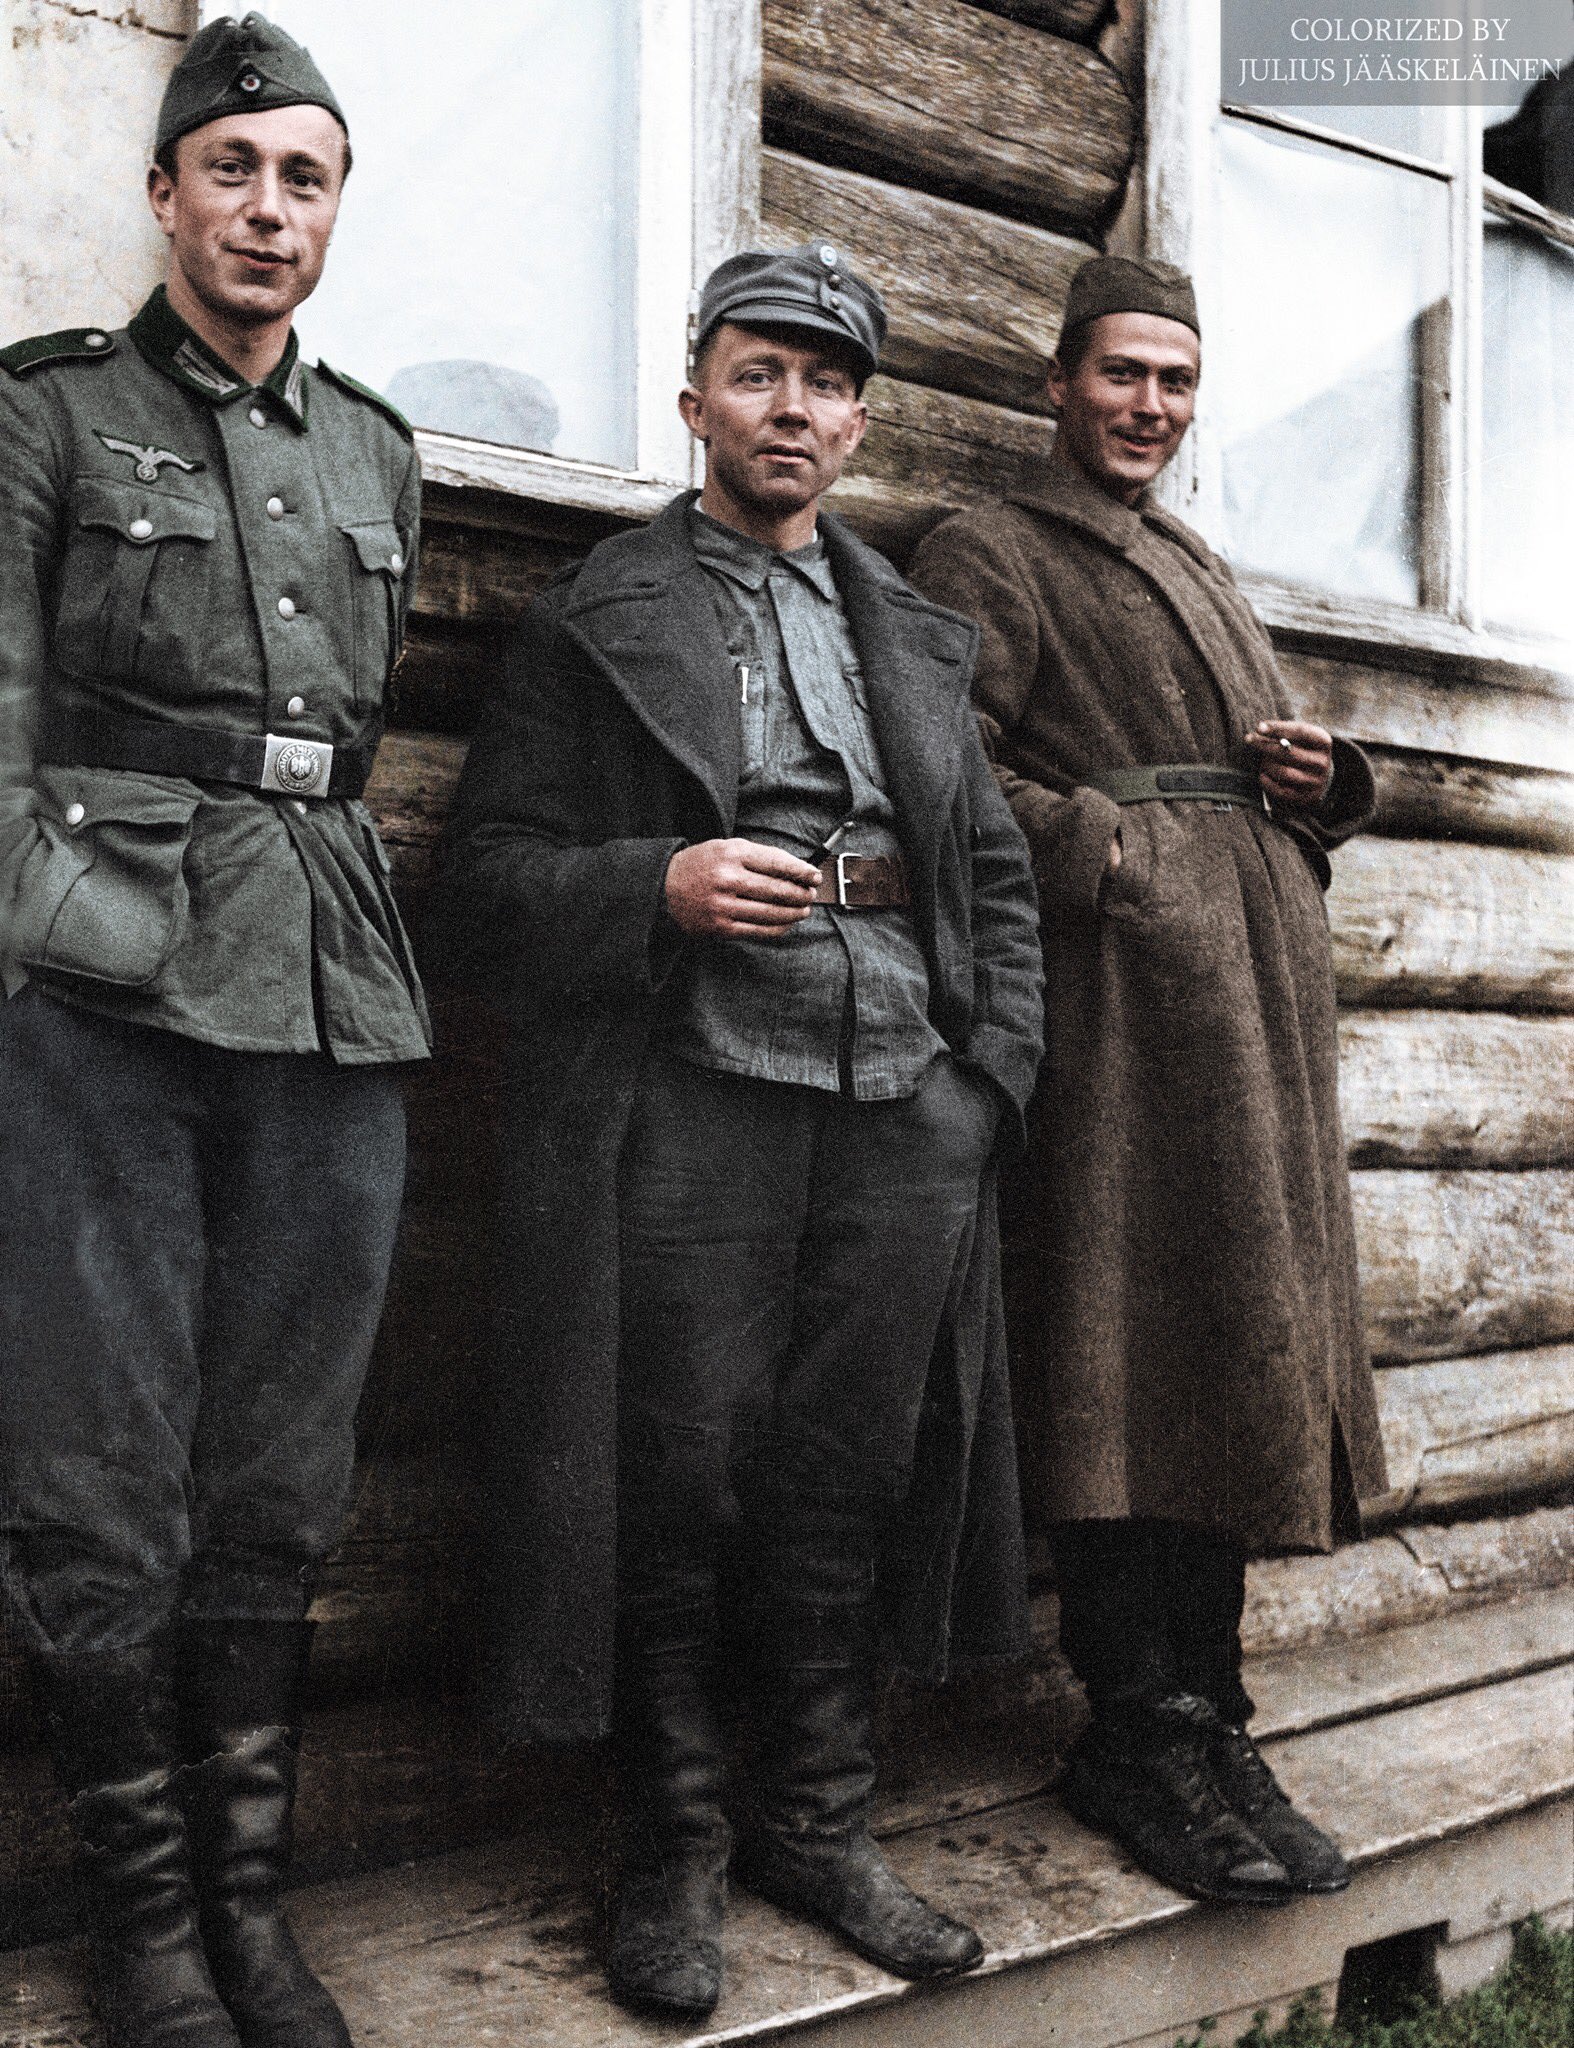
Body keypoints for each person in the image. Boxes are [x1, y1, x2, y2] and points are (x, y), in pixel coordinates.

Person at [441, 243, 1044, 2020]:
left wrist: (983, 1072)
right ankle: (674, 1849)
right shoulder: (598, 616)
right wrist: (661, 879)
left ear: (858, 421)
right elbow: (479, 884)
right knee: (682, 1474)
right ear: (694, 392)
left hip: (898, 1094)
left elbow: (989, 873)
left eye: (824, 383)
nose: (792, 409)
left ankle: (820, 1825)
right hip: (691, 1084)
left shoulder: (914, 636)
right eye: (759, 373)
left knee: (844, 1475)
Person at [0, 17, 428, 2047]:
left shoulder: (375, 453)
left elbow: (337, 740)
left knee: (280, 1461)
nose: (270, 212)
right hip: (105, 987)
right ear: (164, 194)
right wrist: (60, 945)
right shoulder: (48, 420)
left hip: (329, 990)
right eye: (235, 171)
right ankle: (145, 1924)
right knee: (102, 1469)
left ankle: (254, 1909)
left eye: (306, 179)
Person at [909, 255, 1388, 1909]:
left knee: (1236, 1354)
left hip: (1243, 1010)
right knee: (1131, 1357)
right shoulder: (995, 545)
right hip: (1125, 1015)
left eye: (1174, 383)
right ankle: (1133, 1723)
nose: (1148, 408)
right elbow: (939, 766)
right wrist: (1113, 854)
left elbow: (1247, 758)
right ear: (1056, 383)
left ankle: (1210, 1715)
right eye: (1120, 375)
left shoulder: (1189, 553)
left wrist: (1329, 782)